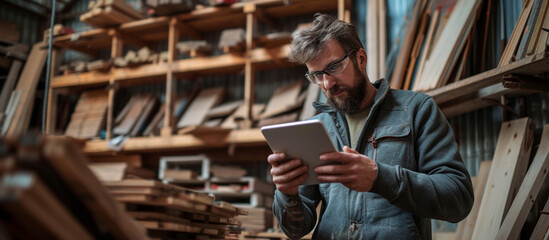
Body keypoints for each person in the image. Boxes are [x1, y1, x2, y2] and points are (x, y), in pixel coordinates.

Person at [267, 13, 474, 240]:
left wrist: (380, 178)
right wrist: (287, 193)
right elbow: (296, 229)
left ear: (361, 59)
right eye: (317, 75)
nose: (327, 83)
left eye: (334, 67)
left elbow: (459, 199)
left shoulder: (416, 110)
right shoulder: (315, 128)